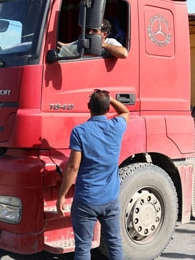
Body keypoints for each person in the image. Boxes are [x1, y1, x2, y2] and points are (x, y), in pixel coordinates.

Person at [57, 89, 130, 260]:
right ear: (107, 109)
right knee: (114, 241)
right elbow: (125, 111)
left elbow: (73, 168)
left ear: (88, 106)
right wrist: (110, 99)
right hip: (110, 199)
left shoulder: (80, 132)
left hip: (86, 201)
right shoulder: (117, 126)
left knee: (83, 247)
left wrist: (61, 196)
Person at [58, 19, 128, 59]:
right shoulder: (86, 41)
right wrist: (55, 42)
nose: (90, 32)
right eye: (89, 30)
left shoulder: (110, 41)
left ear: (104, 34)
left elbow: (124, 53)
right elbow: (66, 46)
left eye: (95, 31)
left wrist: (103, 44)